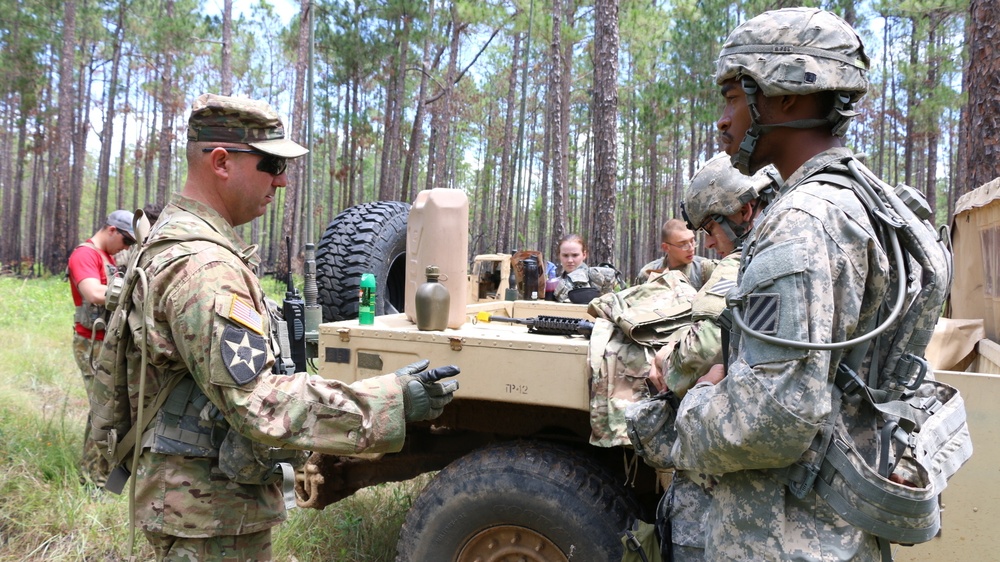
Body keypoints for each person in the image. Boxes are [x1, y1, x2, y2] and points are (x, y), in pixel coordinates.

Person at [89, 93, 460, 561]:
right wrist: (392, 400)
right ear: (221, 162)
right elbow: (259, 404)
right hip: (208, 518)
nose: (282, 181)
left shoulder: (176, 241)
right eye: (270, 164)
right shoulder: (204, 267)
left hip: (196, 505)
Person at [669, 8, 891, 560]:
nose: (723, 120)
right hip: (836, 527)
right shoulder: (865, 201)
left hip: (784, 536)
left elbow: (770, 420)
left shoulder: (802, 222)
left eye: (734, 98)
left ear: (785, 95)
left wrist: (692, 410)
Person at [645, 153, 775, 561]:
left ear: (745, 211)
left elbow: (700, 349)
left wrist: (669, 361)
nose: (707, 240)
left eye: (711, 226)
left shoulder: (743, 263)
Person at [68, 208, 136, 487]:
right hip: (92, 343)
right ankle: (93, 478)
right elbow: (94, 293)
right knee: (103, 411)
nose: (126, 247)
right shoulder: (85, 254)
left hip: (105, 341)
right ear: (111, 230)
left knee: (106, 410)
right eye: (127, 241)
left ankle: (97, 472)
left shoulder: (106, 256)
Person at [634, 219, 715, 289]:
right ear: (666, 247)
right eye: (683, 244)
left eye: (692, 241)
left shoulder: (705, 269)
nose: (691, 248)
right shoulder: (648, 273)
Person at [552, 233, 621, 303]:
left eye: (575, 255)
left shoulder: (597, 277)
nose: (570, 260)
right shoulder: (554, 283)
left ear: (584, 255)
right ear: (559, 255)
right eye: (565, 255)